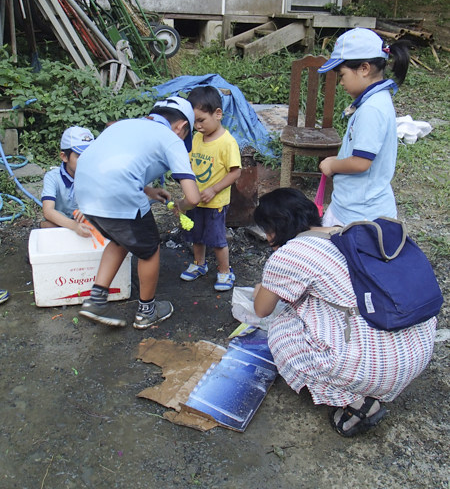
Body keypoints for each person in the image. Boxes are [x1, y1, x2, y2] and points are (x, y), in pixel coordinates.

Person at [253, 188, 436, 438]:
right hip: (417, 349)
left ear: (273, 229)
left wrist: (261, 288)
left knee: (282, 328)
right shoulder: (345, 232)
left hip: (382, 367)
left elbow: (262, 309)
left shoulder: (290, 253)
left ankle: (360, 404)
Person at [74, 97, 201, 329]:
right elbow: (193, 197)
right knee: (150, 249)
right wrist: (181, 206)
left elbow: (115, 164)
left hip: (84, 191)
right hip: (119, 193)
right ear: (182, 126)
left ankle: (95, 300)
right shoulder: (171, 138)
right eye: (185, 135)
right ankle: (147, 311)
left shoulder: (124, 125)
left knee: (120, 239)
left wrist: (149, 191)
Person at [317, 27, 411, 226]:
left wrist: (333, 165)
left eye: (341, 75)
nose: (340, 82)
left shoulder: (372, 109)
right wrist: (341, 158)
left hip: (360, 217)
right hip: (355, 205)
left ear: (364, 69)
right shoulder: (375, 100)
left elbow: (361, 163)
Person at [180, 85, 241, 291]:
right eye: (194, 121)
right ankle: (199, 264)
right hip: (195, 199)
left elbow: (235, 172)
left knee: (216, 239)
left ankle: (225, 271)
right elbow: (189, 164)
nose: (197, 126)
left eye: (201, 120)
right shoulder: (196, 138)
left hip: (215, 202)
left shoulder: (227, 143)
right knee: (196, 235)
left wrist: (214, 189)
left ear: (217, 114)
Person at [41, 126, 94, 237]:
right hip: (63, 222)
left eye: (89, 155)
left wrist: (90, 209)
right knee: (47, 224)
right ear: (64, 156)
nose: (86, 161)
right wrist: (74, 226)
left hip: (88, 220)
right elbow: (48, 210)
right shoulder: (52, 177)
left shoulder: (96, 176)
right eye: (79, 156)